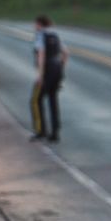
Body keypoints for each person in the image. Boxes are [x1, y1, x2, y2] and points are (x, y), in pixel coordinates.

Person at [29, 14, 69, 143]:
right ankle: (55, 132)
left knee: (36, 100)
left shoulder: (41, 35)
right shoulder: (55, 35)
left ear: (40, 24)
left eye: (35, 24)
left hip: (47, 70)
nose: (34, 26)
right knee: (53, 100)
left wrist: (40, 75)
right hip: (57, 69)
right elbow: (66, 53)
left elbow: (41, 54)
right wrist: (61, 66)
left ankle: (41, 131)